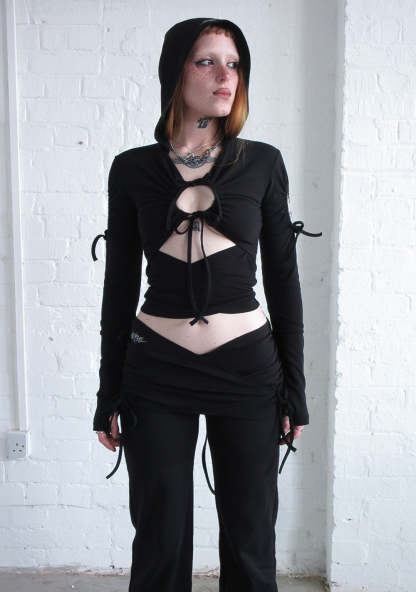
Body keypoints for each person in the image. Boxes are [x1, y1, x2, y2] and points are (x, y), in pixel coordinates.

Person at [90, 17, 322, 592]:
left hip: (247, 370)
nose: (226, 76)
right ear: (176, 72)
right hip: (156, 371)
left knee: (250, 542)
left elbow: (284, 281)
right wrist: (107, 390)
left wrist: (294, 388)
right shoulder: (132, 169)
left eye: (235, 64)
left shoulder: (262, 163)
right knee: (160, 543)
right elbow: (119, 285)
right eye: (207, 61)